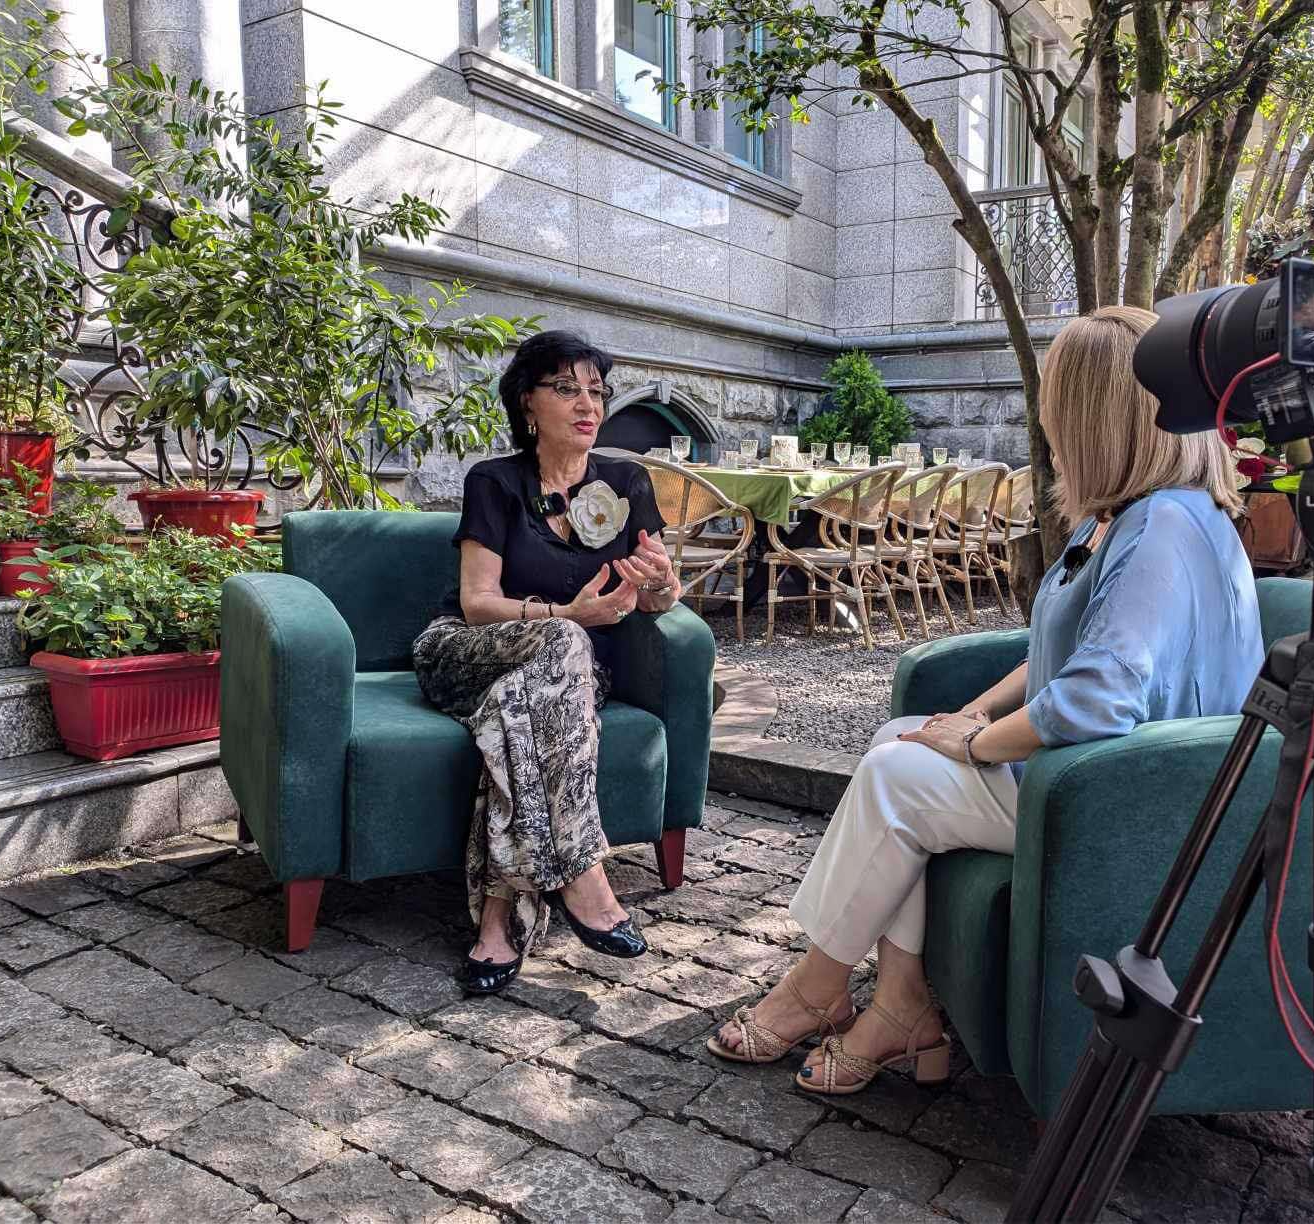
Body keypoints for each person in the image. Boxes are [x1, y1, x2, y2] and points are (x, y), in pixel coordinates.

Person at [707, 306, 1264, 1093]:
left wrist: (972, 745)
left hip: (1130, 794)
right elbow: (1056, 653)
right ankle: (902, 1006)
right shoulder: (1123, 518)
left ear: (1097, 417)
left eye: (1057, 405)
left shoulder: (1162, 529)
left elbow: (1098, 698)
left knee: (897, 777)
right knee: (901, 740)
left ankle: (817, 989)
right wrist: (969, 714)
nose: (1047, 424)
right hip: (1097, 770)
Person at [413, 330, 683, 996]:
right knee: (562, 643)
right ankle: (582, 871)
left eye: (596, 391)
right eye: (566, 388)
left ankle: (498, 923)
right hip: (469, 651)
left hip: (567, 674)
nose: (587, 405)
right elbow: (477, 604)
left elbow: (657, 600)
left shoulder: (627, 482)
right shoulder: (494, 481)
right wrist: (569, 616)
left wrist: (662, 580)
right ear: (527, 403)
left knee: (520, 710)